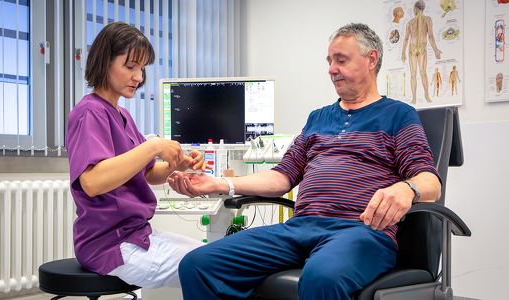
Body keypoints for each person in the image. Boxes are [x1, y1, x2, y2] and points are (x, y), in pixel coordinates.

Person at [168, 23, 442, 300]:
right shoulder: (318, 118)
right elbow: (282, 177)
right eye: (330, 61)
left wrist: (407, 189)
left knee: (321, 277)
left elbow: (429, 180)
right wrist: (218, 183)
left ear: (371, 59)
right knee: (197, 264)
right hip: (299, 229)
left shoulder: (398, 114)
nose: (331, 69)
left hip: (361, 231)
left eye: (341, 60)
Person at [65, 22, 209, 289]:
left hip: (137, 233)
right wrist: (153, 146)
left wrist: (178, 165)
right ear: (104, 63)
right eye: (130, 67)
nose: (139, 77)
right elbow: (92, 182)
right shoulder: (90, 113)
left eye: (141, 69)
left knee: (220, 255)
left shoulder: (122, 114)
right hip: (109, 244)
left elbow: (146, 174)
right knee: (218, 268)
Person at [401, 0, 442, 104]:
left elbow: (431, 36)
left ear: (416, 8)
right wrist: (402, 52)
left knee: (420, 73)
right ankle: (415, 97)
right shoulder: (412, 22)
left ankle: (426, 95)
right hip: (414, 48)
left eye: (414, 8)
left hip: (417, 48)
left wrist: (436, 49)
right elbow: (406, 38)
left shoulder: (425, 20)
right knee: (416, 73)